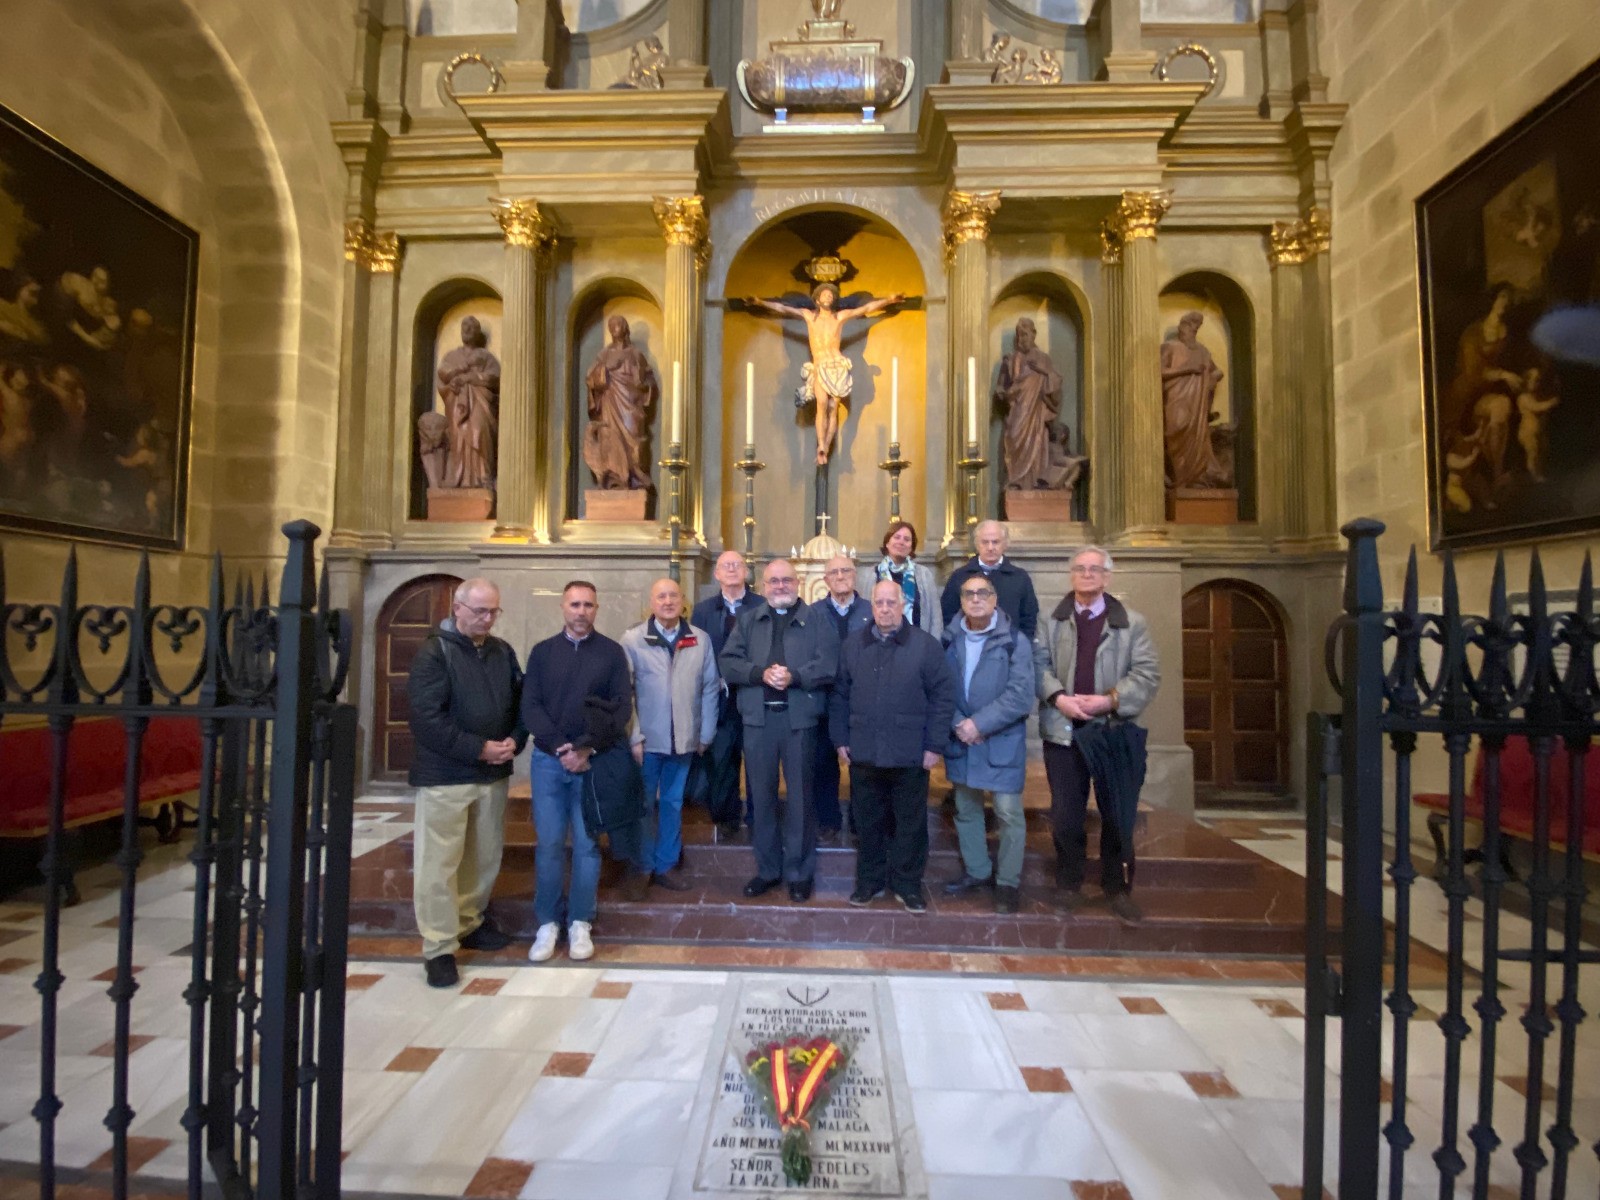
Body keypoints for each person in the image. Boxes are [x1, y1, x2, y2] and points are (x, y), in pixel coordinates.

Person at [406, 578, 526, 988]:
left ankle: (469, 922)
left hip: (492, 775)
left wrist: (515, 740)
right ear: (457, 607)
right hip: (446, 776)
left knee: (483, 856)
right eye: (479, 611)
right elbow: (426, 719)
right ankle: (439, 947)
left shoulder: (501, 651)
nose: (487, 619)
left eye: (493, 611)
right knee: (439, 864)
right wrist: (478, 749)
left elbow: (520, 703)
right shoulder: (434, 652)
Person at [1035, 546, 1160, 924]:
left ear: (1107, 576)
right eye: (1080, 568)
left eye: (1095, 569)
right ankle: (1068, 883)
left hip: (1113, 731)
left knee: (1118, 814)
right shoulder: (1051, 621)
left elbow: (1147, 674)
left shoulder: (1132, 623)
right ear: (1071, 574)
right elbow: (1037, 665)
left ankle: (1116, 888)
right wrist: (1059, 698)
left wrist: (1109, 701)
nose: (1087, 574)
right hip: (1065, 730)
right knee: (1066, 815)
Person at [521, 580, 633, 962]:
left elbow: (620, 709)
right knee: (550, 843)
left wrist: (586, 748)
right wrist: (560, 747)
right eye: (575, 604)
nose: (581, 611)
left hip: (592, 761)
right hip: (548, 762)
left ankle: (580, 920)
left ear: (597, 609)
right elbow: (531, 705)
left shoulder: (612, 653)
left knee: (586, 844)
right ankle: (548, 922)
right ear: (563, 607)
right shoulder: (542, 652)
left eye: (588, 605)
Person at [831, 580, 955, 913]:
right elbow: (840, 694)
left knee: (910, 825)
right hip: (864, 750)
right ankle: (869, 883)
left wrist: (934, 744)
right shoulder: (853, 645)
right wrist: (840, 738)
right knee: (867, 823)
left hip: (910, 752)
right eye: (879, 603)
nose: (885, 608)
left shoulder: (926, 646)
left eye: (891, 602)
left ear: (903, 606)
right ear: (871, 606)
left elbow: (943, 697)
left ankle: (907, 885)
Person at [719, 559, 838, 902]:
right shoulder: (748, 620)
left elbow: (829, 664)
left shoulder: (818, 620)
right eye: (774, 581)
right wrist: (759, 674)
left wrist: (795, 677)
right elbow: (728, 662)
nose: (780, 586)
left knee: (801, 798)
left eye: (786, 580)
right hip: (759, 721)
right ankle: (768, 869)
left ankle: (799, 873)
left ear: (798, 583)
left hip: (799, 720)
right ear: (763, 586)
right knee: (761, 797)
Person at [940, 573, 1036, 914]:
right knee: (966, 808)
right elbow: (939, 689)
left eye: (983, 593)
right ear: (961, 601)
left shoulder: (1014, 641)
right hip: (961, 738)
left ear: (995, 600)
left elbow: (1021, 695)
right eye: (969, 594)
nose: (976, 599)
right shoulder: (948, 639)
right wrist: (959, 724)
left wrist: (979, 724)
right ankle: (977, 870)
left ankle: (1008, 882)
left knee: (1008, 813)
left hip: (1000, 739)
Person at [621, 578, 720, 891]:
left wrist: (705, 734)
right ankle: (643, 866)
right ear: (651, 603)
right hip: (648, 741)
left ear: (683, 601)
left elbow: (710, 687)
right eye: (661, 596)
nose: (667, 602)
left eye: (673, 596)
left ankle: (666, 864)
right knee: (643, 804)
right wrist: (634, 735)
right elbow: (625, 692)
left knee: (673, 803)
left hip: (684, 738)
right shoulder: (633, 639)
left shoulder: (700, 639)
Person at [744, 283, 906, 465]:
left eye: (831, 295)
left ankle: (826, 447)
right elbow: (783, 308)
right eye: (824, 295)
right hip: (820, 365)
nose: (828, 297)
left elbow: (866, 308)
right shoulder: (809, 316)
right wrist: (759, 302)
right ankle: (821, 445)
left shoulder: (839, 317)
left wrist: (889, 300)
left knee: (833, 407)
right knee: (821, 404)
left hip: (837, 366)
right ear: (817, 299)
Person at [690, 550, 765, 837]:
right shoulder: (703, 610)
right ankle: (726, 820)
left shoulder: (761, 605)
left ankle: (758, 819)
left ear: (746, 571)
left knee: (758, 763)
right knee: (721, 762)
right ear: (717, 573)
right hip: (718, 700)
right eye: (726, 565)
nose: (732, 569)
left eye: (737, 565)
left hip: (753, 695)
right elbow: (697, 652)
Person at [807, 553, 872, 841]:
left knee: (862, 764)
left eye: (846, 570)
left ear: (855, 575)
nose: (841, 576)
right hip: (823, 696)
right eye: (834, 572)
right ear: (825, 579)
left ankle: (860, 820)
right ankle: (828, 820)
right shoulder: (811, 613)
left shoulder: (872, 610)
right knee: (823, 761)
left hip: (862, 699)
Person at [583, 314, 657, 491]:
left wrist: (644, 386)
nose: (614, 328)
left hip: (631, 405)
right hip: (610, 402)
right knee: (609, 436)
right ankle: (612, 479)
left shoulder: (635, 354)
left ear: (625, 328)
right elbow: (590, 378)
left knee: (634, 439)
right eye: (611, 325)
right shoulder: (604, 355)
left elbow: (649, 381)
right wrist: (602, 373)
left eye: (618, 324)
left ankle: (635, 477)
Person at [1160, 311, 1231, 490]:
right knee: (1176, 430)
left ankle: (1194, 481)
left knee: (1198, 441)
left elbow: (1217, 371)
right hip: (1175, 401)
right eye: (1186, 326)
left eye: (1193, 328)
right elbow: (1159, 372)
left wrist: (1212, 378)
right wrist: (1187, 369)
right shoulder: (1169, 347)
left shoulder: (1202, 351)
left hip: (1197, 407)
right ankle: (1181, 478)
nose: (1188, 330)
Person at [994, 316, 1066, 491]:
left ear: (1034, 334)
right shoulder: (1011, 359)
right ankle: (1015, 480)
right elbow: (1002, 385)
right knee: (1012, 438)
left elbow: (1055, 386)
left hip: (1036, 415)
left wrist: (1044, 371)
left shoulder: (1043, 359)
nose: (1022, 339)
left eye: (1025, 335)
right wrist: (1001, 391)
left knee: (1037, 447)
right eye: (1019, 336)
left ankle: (1034, 483)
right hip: (1017, 410)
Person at [939, 519, 1040, 640]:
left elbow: (1029, 619)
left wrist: (1020, 645)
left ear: (1005, 544)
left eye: (995, 542)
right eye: (985, 542)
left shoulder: (1020, 578)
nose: (990, 547)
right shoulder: (959, 577)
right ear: (977, 544)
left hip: (1009, 647)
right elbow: (947, 615)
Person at [856, 520, 941, 637]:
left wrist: (933, 644)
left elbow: (936, 617)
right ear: (887, 543)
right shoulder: (870, 575)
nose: (901, 542)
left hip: (918, 642)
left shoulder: (924, 575)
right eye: (897, 537)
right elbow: (863, 614)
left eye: (906, 539)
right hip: (879, 642)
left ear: (911, 547)